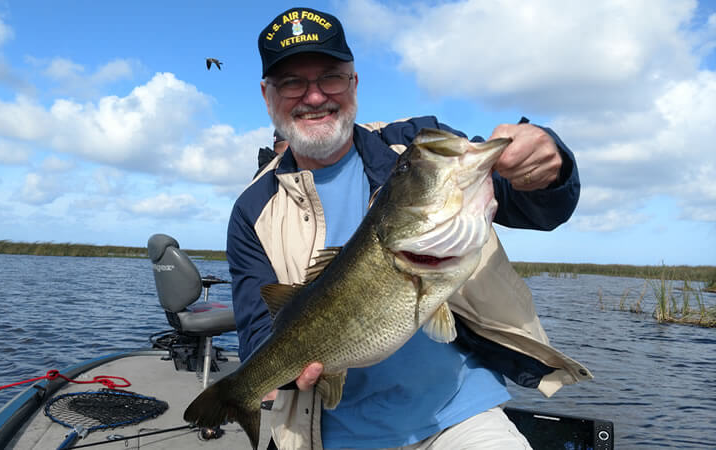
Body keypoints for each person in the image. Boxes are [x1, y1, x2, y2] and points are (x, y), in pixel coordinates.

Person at [227, 7, 589, 450]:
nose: (315, 96)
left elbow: (540, 209)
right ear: (267, 95)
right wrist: (280, 378)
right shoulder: (251, 211)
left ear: (354, 83)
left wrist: (550, 164)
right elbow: (259, 336)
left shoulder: (418, 147)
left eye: (330, 77)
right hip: (330, 434)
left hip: (461, 417)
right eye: (292, 82)